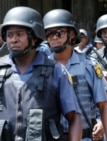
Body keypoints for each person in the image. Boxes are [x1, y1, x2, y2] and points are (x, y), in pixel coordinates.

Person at [0, 6, 82, 141]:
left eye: (19, 34)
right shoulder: (1, 70)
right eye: (9, 35)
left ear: (35, 37)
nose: (13, 40)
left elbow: (74, 117)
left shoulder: (55, 71)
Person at [43, 9, 107, 141]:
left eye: (59, 33)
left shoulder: (89, 66)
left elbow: (104, 107)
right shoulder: (43, 68)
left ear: (71, 34)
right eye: (49, 34)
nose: (53, 37)